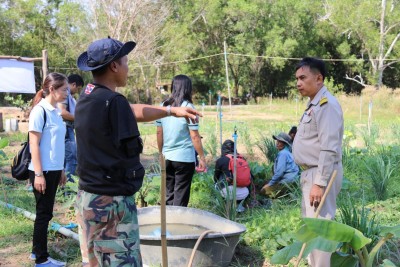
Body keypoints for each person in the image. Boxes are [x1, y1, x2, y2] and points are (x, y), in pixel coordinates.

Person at [74, 37, 201, 267]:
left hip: (87, 198)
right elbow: (127, 109)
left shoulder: (89, 96)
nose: (127, 67)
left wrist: (171, 110)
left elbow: (133, 110)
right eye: (125, 61)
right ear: (114, 66)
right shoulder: (113, 102)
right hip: (112, 204)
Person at [292, 57, 343, 267]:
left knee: (321, 227)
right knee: (313, 227)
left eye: (303, 78)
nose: (298, 83)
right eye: (296, 79)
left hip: (319, 174)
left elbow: (329, 147)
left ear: (319, 78)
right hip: (311, 173)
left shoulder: (326, 105)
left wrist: (319, 183)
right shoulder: (314, 103)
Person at [28, 73, 68, 267]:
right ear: (52, 89)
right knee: (44, 214)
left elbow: (55, 144)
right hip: (42, 171)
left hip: (53, 169)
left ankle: (36, 252)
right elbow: (33, 144)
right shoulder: (40, 111)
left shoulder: (55, 111)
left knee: (45, 213)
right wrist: (38, 174)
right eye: (64, 89)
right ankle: (42, 260)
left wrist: (60, 169)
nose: (67, 93)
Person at [156, 74, 207, 207]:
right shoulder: (188, 107)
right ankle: (177, 226)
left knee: (168, 195)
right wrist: (202, 157)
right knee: (180, 198)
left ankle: (166, 226)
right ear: (187, 89)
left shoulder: (164, 106)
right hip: (184, 159)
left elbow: (159, 132)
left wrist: (160, 153)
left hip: (167, 157)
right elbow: (194, 136)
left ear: (173, 87)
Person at [57, 74, 84, 182]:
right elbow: (62, 112)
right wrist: (81, 119)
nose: (77, 91)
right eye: (78, 88)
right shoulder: (65, 93)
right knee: (72, 159)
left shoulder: (69, 96)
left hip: (67, 129)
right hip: (66, 129)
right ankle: (68, 190)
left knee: (64, 159)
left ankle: (62, 188)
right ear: (73, 84)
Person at [260, 132, 299, 197]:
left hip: (288, 182)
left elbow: (279, 172)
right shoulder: (288, 153)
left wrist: (270, 184)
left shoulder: (283, 154)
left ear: (285, 144)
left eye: (280, 142)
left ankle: (280, 196)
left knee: (263, 190)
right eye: (277, 141)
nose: (277, 143)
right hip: (294, 181)